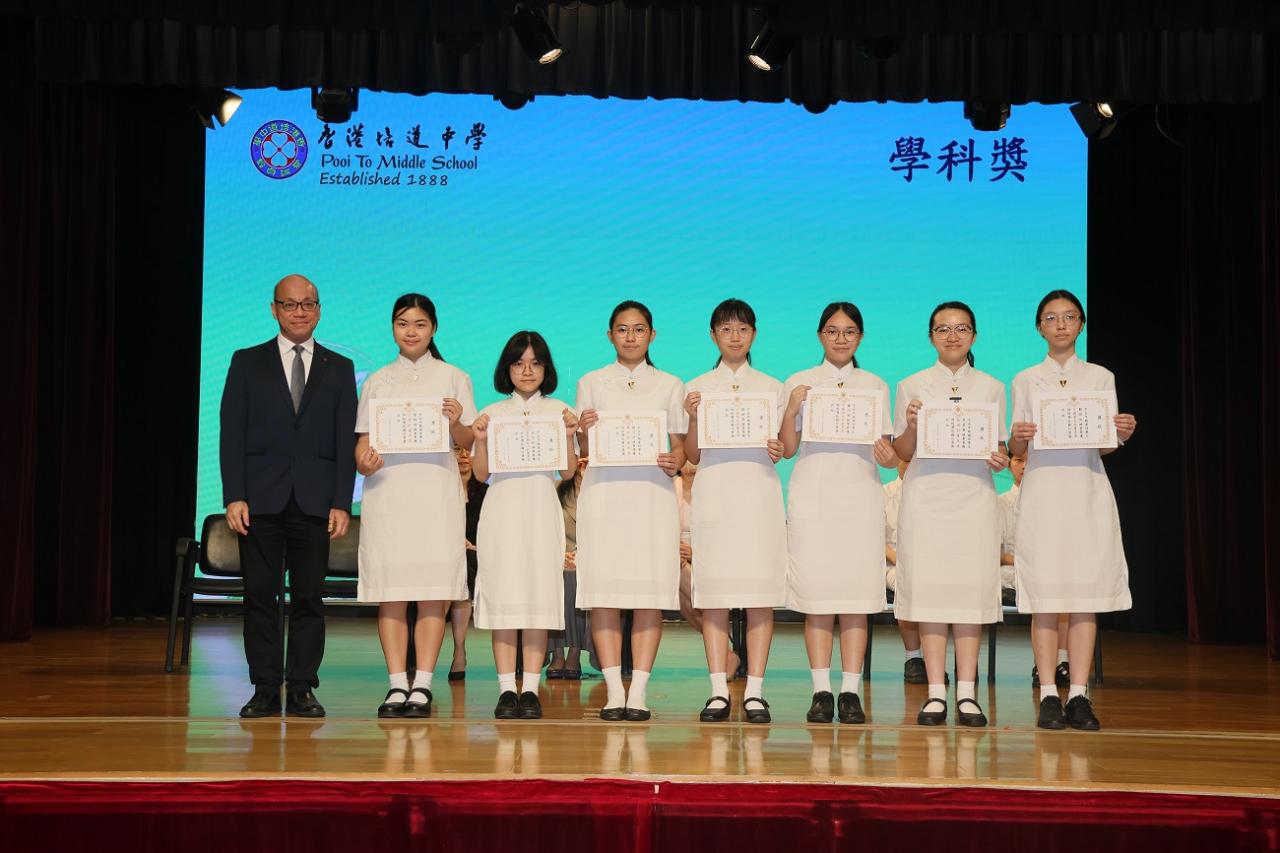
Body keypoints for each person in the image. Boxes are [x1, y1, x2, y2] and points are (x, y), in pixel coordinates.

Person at [220, 273, 357, 719]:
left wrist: (341, 501)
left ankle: (301, 688)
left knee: (309, 598)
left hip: (316, 501)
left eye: (308, 304)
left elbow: (344, 440)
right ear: (274, 309)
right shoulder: (246, 361)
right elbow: (231, 433)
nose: (300, 312)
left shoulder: (339, 367)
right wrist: (234, 495)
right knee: (260, 596)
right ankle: (264, 687)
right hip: (259, 500)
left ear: (319, 310)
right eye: (290, 304)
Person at [1008, 289, 1136, 731]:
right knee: (1044, 597)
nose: (1060, 324)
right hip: (1043, 493)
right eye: (1051, 317)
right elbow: (1016, 447)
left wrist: (1121, 434)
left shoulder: (1101, 376)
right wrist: (1019, 435)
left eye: (1069, 317)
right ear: (1039, 327)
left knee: (1084, 597)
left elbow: (1103, 444)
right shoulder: (1025, 379)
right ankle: (1048, 693)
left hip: (1085, 493)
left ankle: (1079, 695)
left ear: (1081, 324)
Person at [354, 293, 476, 719]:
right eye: (403, 323)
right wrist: (363, 461)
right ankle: (395, 683)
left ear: (434, 329)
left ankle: (422, 682)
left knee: (433, 593)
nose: (411, 331)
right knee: (390, 593)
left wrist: (457, 422)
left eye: (420, 324)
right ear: (393, 328)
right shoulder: (377, 381)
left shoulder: (454, 377)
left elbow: (468, 441)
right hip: (389, 496)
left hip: (436, 497)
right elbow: (362, 442)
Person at [893, 300, 1010, 727]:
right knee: (931, 595)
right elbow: (901, 452)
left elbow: (999, 448)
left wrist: (1000, 459)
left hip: (973, 501)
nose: (952, 336)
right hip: (926, 500)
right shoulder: (910, 385)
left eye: (961, 328)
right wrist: (910, 425)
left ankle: (967, 693)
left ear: (974, 335)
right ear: (931, 337)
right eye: (943, 329)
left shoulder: (992, 387)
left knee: (969, 595)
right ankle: (935, 692)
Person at [781, 302, 899, 725]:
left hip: (859, 500)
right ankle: (821, 690)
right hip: (813, 498)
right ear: (820, 336)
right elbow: (787, 449)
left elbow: (888, 454)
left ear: (860, 337)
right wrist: (791, 409)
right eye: (832, 331)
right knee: (816, 599)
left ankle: (850, 690)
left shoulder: (874, 385)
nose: (841, 339)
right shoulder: (798, 382)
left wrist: (888, 454)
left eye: (849, 332)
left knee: (855, 599)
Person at [575, 300, 688, 721]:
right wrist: (582, 433)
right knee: (602, 595)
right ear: (610, 335)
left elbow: (680, 446)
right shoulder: (591, 382)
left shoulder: (671, 384)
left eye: (639, 329)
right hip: (604, 498)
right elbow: (583, 448)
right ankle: (612, 691)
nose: (631, 337)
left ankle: (637, 691)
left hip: (651, 499)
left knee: (649, 596)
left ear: (652, 335)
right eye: (622, 329)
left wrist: (676, 459)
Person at [683, 299, 787, 724]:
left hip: (758, 498)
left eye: (743, 329)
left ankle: (756, 692)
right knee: (715, 598)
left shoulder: (772, 387)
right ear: (713, 336)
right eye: (726, 329)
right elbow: (692, 454)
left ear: (754, 334)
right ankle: (717, 690)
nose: (735, 337)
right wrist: (693, 419)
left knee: (760, 598)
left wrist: (778, 447)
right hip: (715, 498)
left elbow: (783, 447)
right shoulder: (696, 387)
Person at [471, 331, 579, 720]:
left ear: (546, 369)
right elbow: (480, 474)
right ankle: (506, 689)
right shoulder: (492, 413)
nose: (527, 371)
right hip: (501, 512)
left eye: (535, 363)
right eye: (518, 363)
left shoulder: (559, 411)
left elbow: (567, 471)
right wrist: (480, 440)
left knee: (537, 599)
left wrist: (569, 435)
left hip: (540, 511)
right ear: (507, 369)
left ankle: (531, 689)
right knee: (504, 599)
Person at [549, 457, 596, 679]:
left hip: (591, 559)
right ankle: (557, 652)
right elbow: (545, 529)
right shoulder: (555, 489)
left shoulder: (602, 492)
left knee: (578, 579)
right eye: (579, 459)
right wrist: (558, 555)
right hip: (558, 556)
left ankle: (575, 652)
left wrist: (584, 557)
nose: (583, 463)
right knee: (556, 578)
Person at [447, 444, 487, 681]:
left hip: (478, 555)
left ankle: (459, 649)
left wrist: (475, 546)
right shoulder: (441, 490)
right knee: (458, 567)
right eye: (456, 450)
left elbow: (494, 531)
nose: (463, 456)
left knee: (464, 567)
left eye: (468, 451)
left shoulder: (487, 492)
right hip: (446, 555)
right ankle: (459, 649)